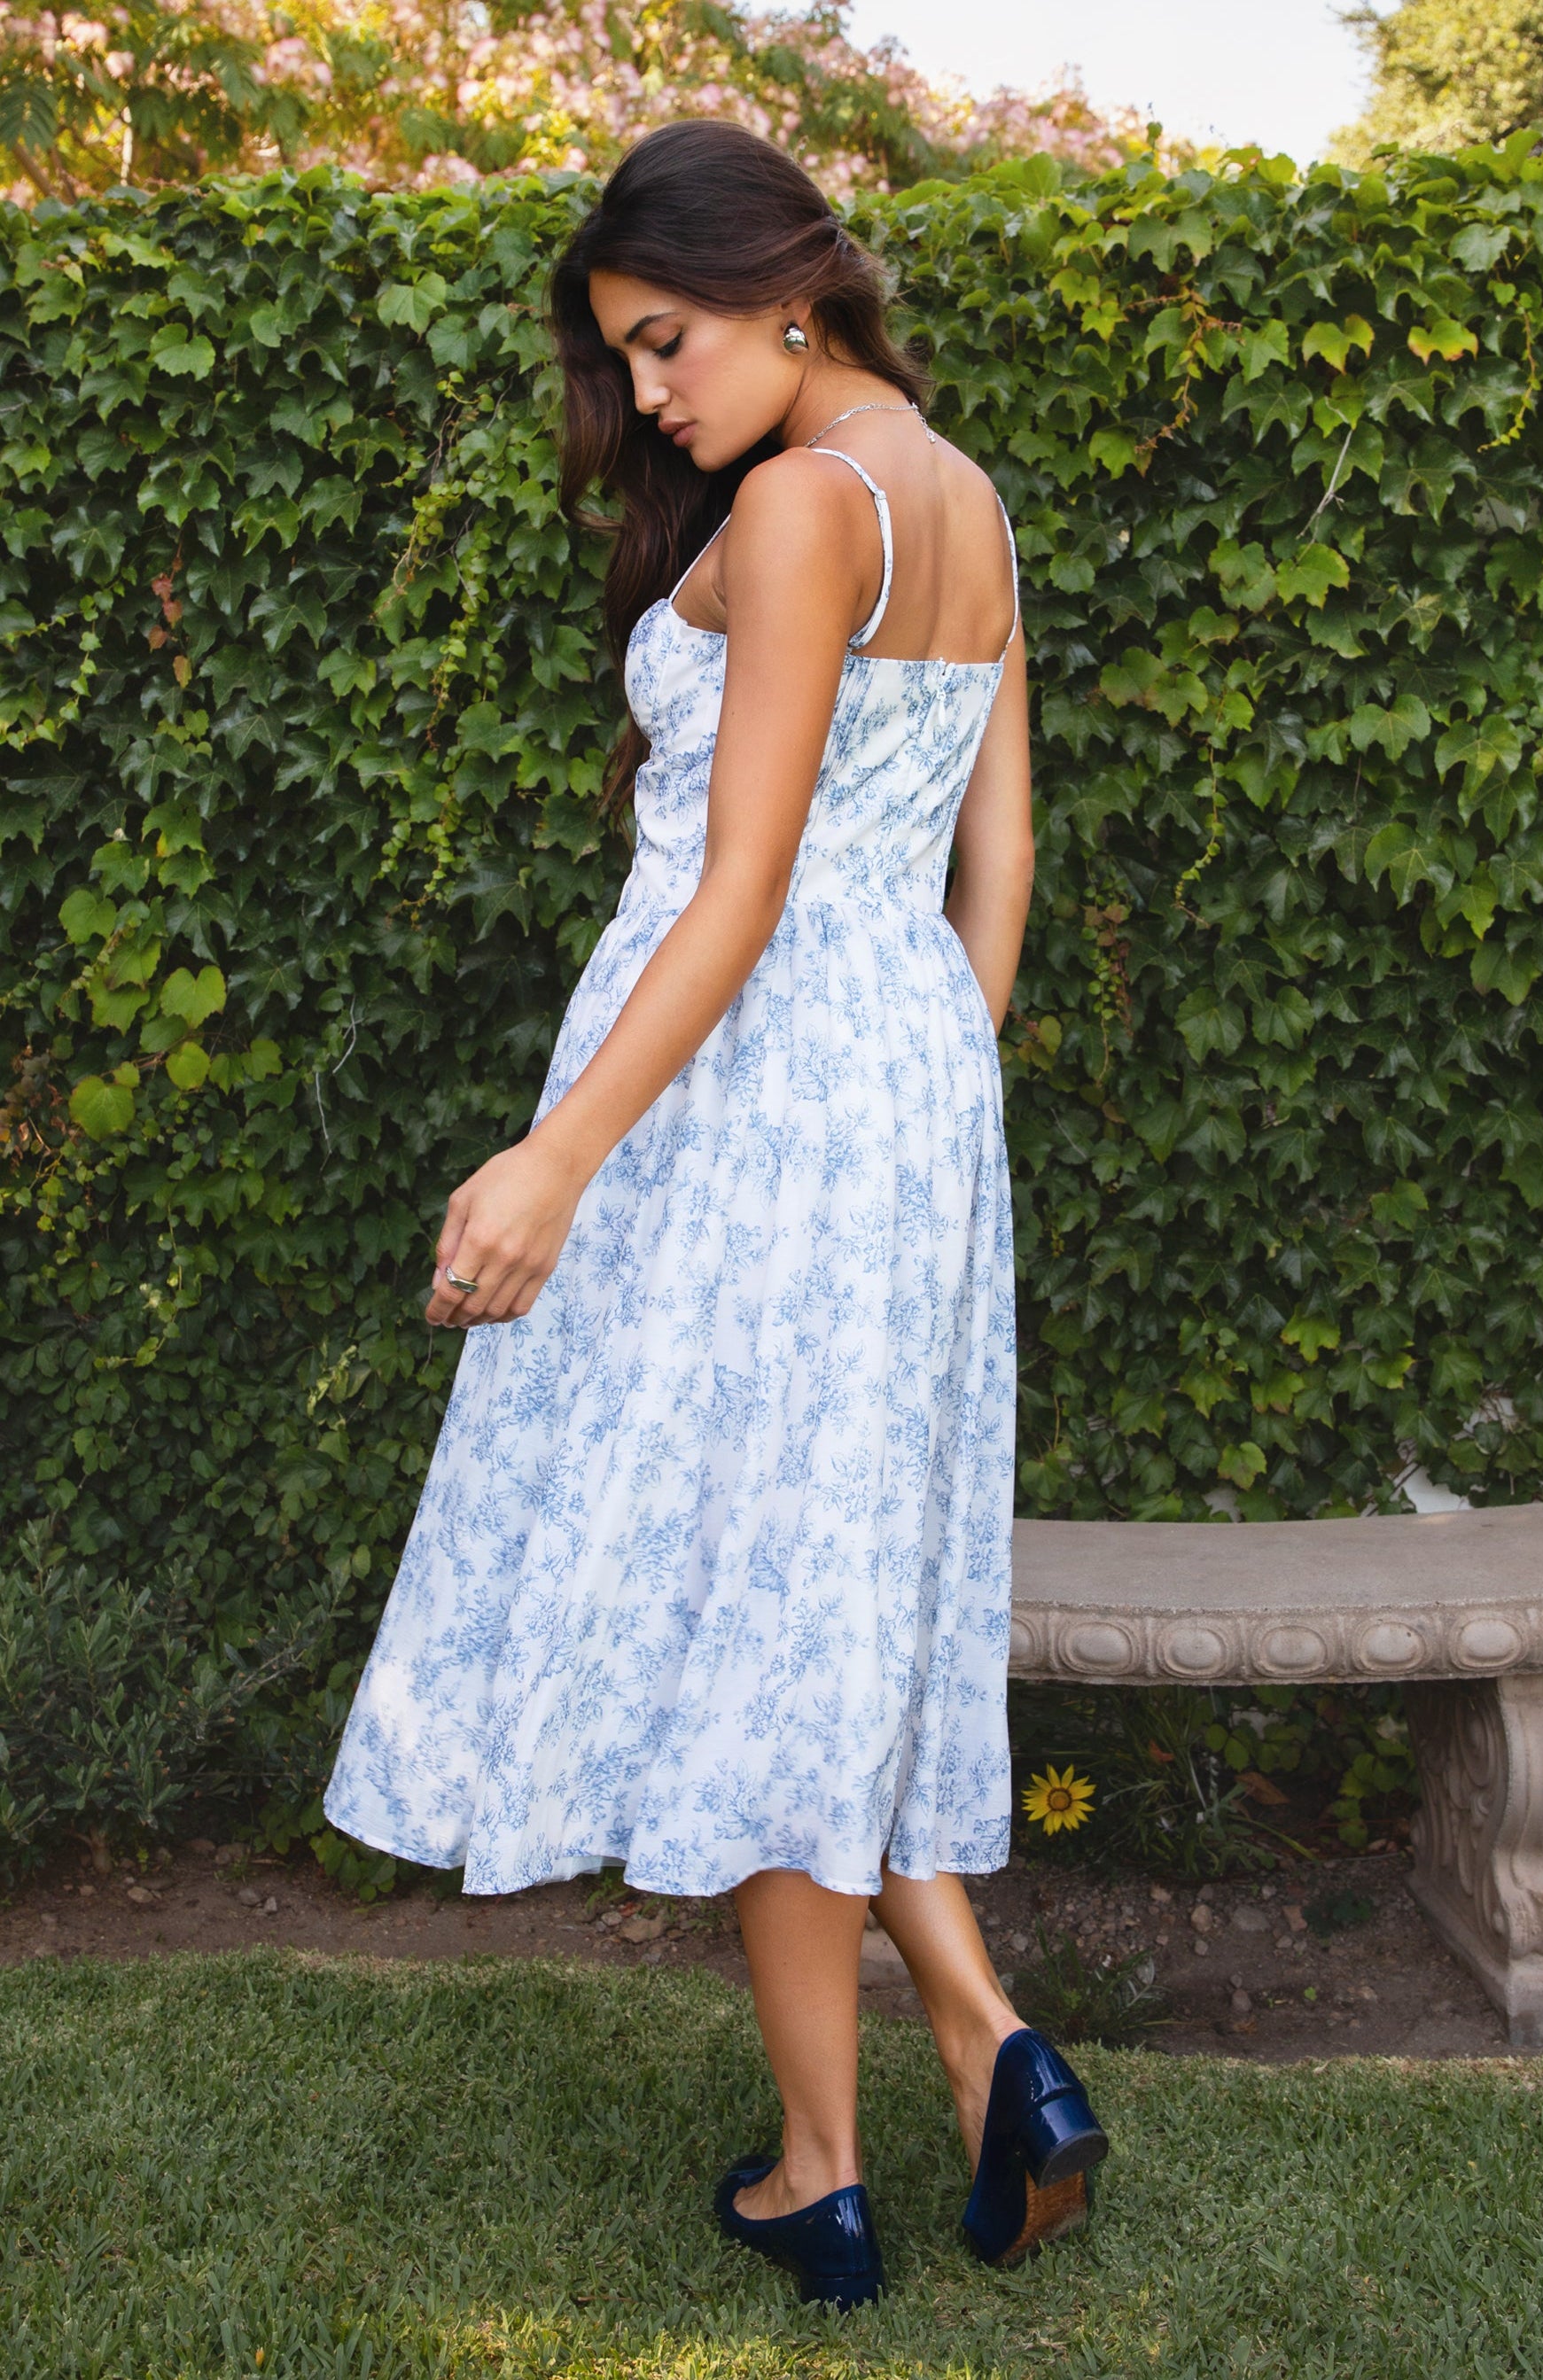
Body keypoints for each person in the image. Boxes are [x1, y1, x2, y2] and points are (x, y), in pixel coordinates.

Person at [323, 117, 1109, 2308]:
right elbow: (1000, 862)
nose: (652, 393)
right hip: (901, 1087)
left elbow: (741, 883)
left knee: (768, 1609)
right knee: (822, 1593)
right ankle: (986, 2047)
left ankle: (821, 2169)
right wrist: (925, 1102)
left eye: (665, 342)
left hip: (737, 1084)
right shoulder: (967, 498)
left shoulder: (798, 510)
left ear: (785, 285)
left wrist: (559, 1150)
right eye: (630, 357)